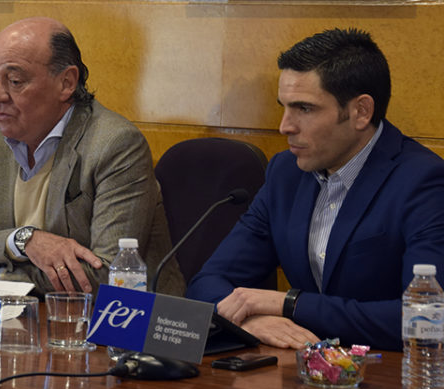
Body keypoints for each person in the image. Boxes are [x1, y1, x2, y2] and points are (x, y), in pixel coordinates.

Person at [186, 28, 444, 351]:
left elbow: (425, 319)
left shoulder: (424, 181)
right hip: (306, 369)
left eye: (304, 109)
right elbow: (206, 284)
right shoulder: (286, 173)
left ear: (361, 112)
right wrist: (248, 320)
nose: (285, 126)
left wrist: (292, 304)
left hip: (389, 373)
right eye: (284, 107)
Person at [0, 17, 184, 296]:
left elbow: (109, 274)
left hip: (124, 317)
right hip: (20, 315)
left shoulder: (115, 144)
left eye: (15, 81)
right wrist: (23, 241)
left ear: (66, 83)